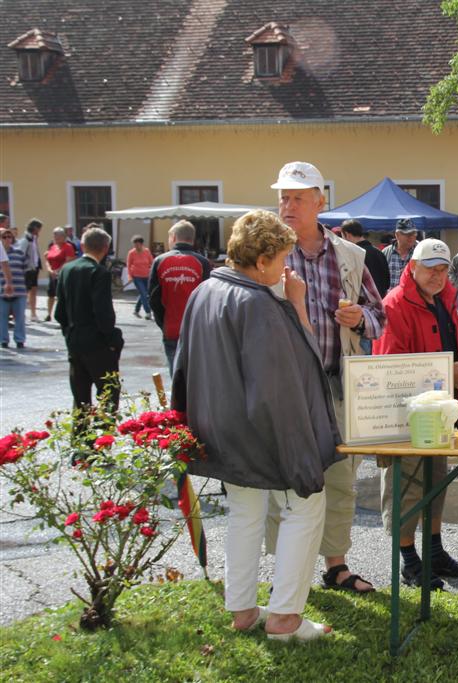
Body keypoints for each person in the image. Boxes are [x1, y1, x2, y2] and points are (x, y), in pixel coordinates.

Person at [172, 209, 340, 642]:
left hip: (220, 427)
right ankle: (285, 618)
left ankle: (243, 608)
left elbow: (182, 366)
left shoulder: (204, 291)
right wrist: (299, 451)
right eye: (283, 258)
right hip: (261, 428)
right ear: (262, 260)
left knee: (245, 511)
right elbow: (282, 383)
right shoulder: (259, 304)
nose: (286, 267)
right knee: (305, 504)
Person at [265, 161, 384, 595]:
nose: (288, 204)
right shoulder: (265, 253)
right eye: (283, 196)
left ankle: (336, 565)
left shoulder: (351, 256)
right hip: (286, 389)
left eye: (297, 197)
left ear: (321, 201)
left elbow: (379, 315)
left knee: (340, 480)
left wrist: (358, 318)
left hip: (335, 385)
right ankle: (285, 572)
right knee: (288, 479)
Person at [374, 238, 458, 590]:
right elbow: (392, 367)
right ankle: (407, 559)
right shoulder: (394, 305)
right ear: (412, 267)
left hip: (438, 410)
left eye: (442, 269)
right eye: (430, 268)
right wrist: (447, 372)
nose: (437, 276)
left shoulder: (445, 298)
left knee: (435, 481)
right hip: (405, 415)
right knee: (405, 485)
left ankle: (433, 551)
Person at [53, 227, 123, 427]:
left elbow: (60, 313)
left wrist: (69, 333)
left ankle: (81, 446)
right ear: (106, 247)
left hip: (75, 340)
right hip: (97, 342)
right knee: (108, 394)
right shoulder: (98, 272)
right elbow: (103, 312)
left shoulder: (67, 269)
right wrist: (112, 339)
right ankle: (102, 443)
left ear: (82, 245)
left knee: (81, 398)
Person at [149, 220, 212, 371]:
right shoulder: (202, 262)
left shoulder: (160, 261)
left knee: (176, 377)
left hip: (171, 328)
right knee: (196, 376)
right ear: (192, 239)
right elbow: (208, 298)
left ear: (173, 237)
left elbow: (153, 298)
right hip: (196, 331)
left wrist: (163, 323)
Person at [340, 219, 390, 305]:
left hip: (363, 307)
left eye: (342, 237)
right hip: (381, 303)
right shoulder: (379, 252)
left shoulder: (352, 255)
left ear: (347, 235)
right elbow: (387, 282)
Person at [0, 229, 28, 348]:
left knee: (20, 316)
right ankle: (3, 340)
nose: (7, 239)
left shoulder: (19, 253)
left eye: (9, 236)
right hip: (1, 291)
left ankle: (20, 339)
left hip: (19, 289)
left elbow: (26, 270)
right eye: (4, 237)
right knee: (2, 316)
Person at [44, 227, 77, 322]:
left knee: (61, 296)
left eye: (57, 235)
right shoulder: (53, 246)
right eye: (54, 235)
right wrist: (50, 269)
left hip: (63, 275)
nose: (55, 237)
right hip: (52, 274)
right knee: (50, 294)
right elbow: (47, 259)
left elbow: (69, 260)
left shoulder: (68, 247)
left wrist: (58, 270)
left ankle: (63, 317)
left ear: (63, 236)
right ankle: (48, 314)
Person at [381, 219, 418, 292]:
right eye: (407, 234)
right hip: (391, 301)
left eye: (413, 233)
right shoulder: (386, 252)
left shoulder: (420, 252)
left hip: (414, 300)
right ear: (397, 235)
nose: (411, 236)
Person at [17, 219, 43, 321]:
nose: (40, 231)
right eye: (39, 229)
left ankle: (33, 313)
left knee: (33, 290)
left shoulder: (33, 238)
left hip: (34, 267)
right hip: (28, 269)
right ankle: (21, 313)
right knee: (25, 292)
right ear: (35, 228)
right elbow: (21, 254)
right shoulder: (25, 239)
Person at [126, 235, 154, 320]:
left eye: (137, 244)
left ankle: (136, 310)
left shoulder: (147, 251)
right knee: (144, 294)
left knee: (143, 294)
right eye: (134, 245)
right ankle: (148, 312)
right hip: (136, 276)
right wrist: (130, 276)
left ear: (142, 244)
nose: (136, 246)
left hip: (146, 276)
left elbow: (152, 262)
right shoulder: (131, 253)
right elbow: (129, 265)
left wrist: (153, 273)